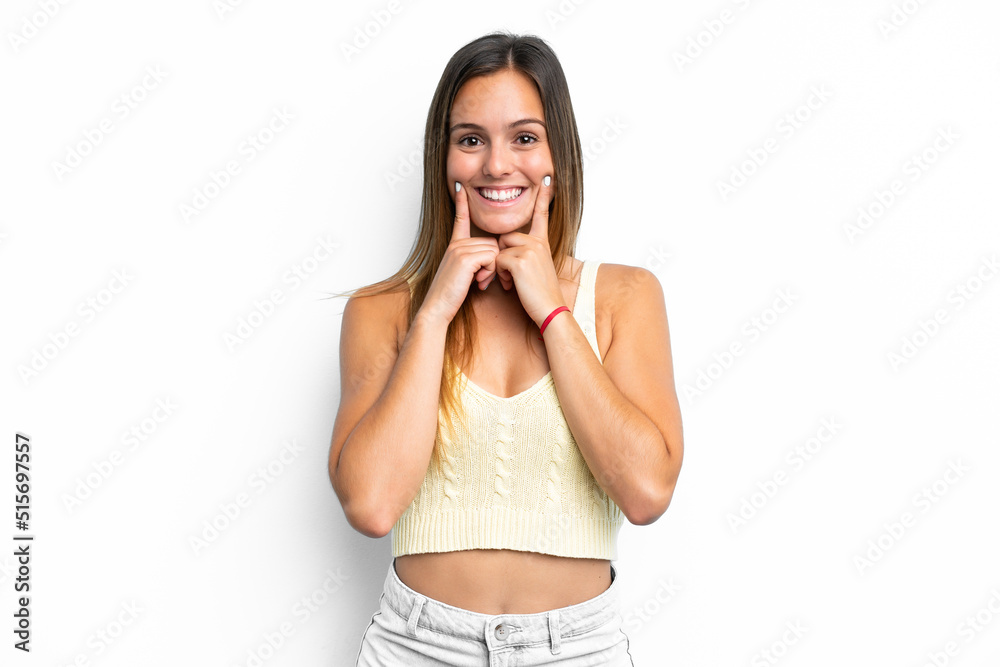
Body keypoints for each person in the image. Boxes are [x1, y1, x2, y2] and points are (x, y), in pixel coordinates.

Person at [328, 30, 683, 666]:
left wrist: (552, 311)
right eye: (471, 139)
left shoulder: (623, 296)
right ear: (444, 158)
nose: (496, 164)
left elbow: (647, 492)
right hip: (416, 647)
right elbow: (372, 504)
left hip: (579, 649)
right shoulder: (382, 310)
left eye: (524, 137)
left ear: (558, 155)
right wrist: (434, 311)